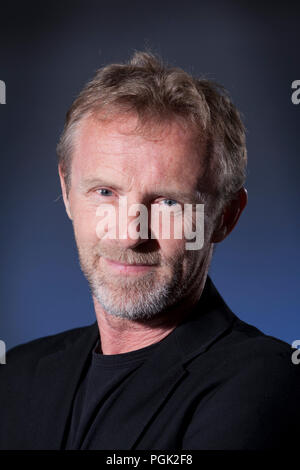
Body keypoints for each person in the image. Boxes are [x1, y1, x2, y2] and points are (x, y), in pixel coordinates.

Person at [0, 52, 299, 450]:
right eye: (105, 192)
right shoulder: (17, 375)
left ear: (225, 216)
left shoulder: (264, 385)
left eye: (168, 203)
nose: (129, 235)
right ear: (67, 190)